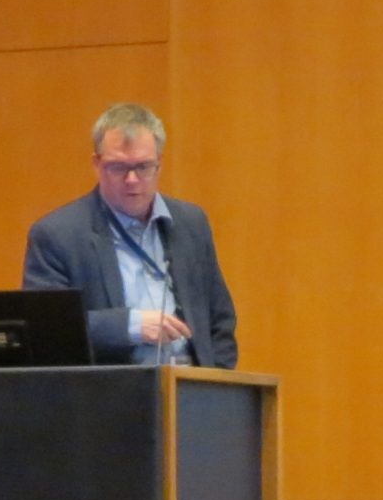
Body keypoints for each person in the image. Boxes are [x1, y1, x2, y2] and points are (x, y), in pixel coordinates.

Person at [22, 101, 239, 368]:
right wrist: (130, 326)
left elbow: (220, 319)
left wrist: (216, 383)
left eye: (144, 167)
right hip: (115, 387)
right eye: (118, 168)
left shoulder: (190, 223)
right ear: (96, 164)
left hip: (191, 384)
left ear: (159, 164)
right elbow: (47, 329)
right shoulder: (57, 235)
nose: (132, 180)